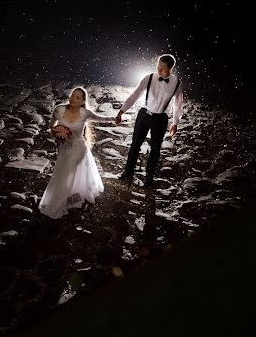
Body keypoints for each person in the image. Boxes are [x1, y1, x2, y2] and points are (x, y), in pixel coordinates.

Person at [39, 87, 116, 219]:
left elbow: (100, 118)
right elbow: (51, 125)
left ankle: (61, 200)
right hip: (65, 147)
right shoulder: (59, 109)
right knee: (64, 173)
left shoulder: (85, 112)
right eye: (72, 95)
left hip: (79, 148)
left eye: (77, 97)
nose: (73, 99)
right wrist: (56, 133)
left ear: (82, 102)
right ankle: (70, 195)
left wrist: (115, 118)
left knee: (67, 174)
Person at [115, 54, 184, 188]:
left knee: (156, 149)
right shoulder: (149, 77)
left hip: (161, 118)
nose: (158, 69)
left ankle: (149, 177)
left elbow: (178, 105)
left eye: (162, 68)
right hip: (144, 115)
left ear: (170, 68)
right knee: (135, 144)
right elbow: (134, 95)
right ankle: (128, 173)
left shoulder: (177, 83)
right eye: (158, 66)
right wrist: (121, 111)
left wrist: (175, 123)